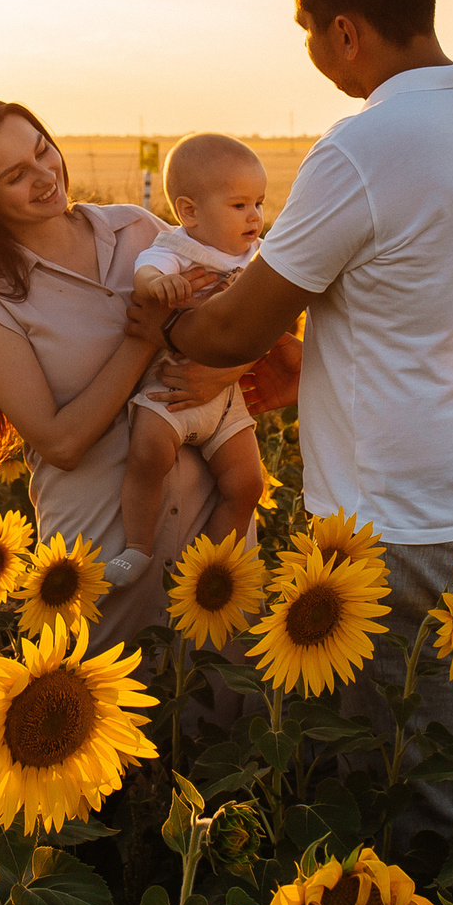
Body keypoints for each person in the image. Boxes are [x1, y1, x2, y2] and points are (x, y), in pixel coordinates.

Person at [164, 0, 453, 842]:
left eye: (307, 29)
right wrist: (313, 369)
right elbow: (436, 301)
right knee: (433, 752)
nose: (309, 48)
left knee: (396, 795)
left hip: (402, 524)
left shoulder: (363, 148)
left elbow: (234, 325)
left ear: (347, 30)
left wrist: (158, 307)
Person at [0, 100, 263, 648]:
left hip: (214, 544)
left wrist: (224, 373)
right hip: (102, 559)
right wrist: (143, 337)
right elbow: (62, 442)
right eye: (15, 175)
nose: (44, 175)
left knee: (234, 714)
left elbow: (240, 316)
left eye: (41, 151)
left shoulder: (140, 231)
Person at [100, 134, 270, 590]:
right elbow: (147, 269)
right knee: (147, 456)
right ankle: (138, 546)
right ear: (190, 211)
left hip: (226, 396)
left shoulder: (258, 260)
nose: (255, 217)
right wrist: (159, 285)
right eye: (239, 205)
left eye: (259, 202)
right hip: (171, 384)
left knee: (247, 483)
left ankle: (212, 569)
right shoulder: (178, 248)